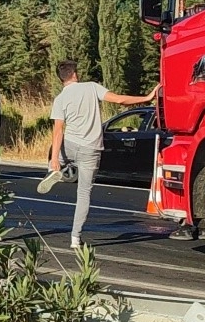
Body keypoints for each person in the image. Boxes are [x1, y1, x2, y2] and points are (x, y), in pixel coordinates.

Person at [42, 60, 158, 249]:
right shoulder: (91, 87)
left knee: (60, 158)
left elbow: (58, 131)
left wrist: (54, 159)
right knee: (84, 194)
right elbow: (120, 99)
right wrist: (146, 98)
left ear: (61, 78)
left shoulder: (60, 99)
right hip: (91, 149)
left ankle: (54, 169)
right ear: (75, 75)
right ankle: (75, 238)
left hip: (70, 144)